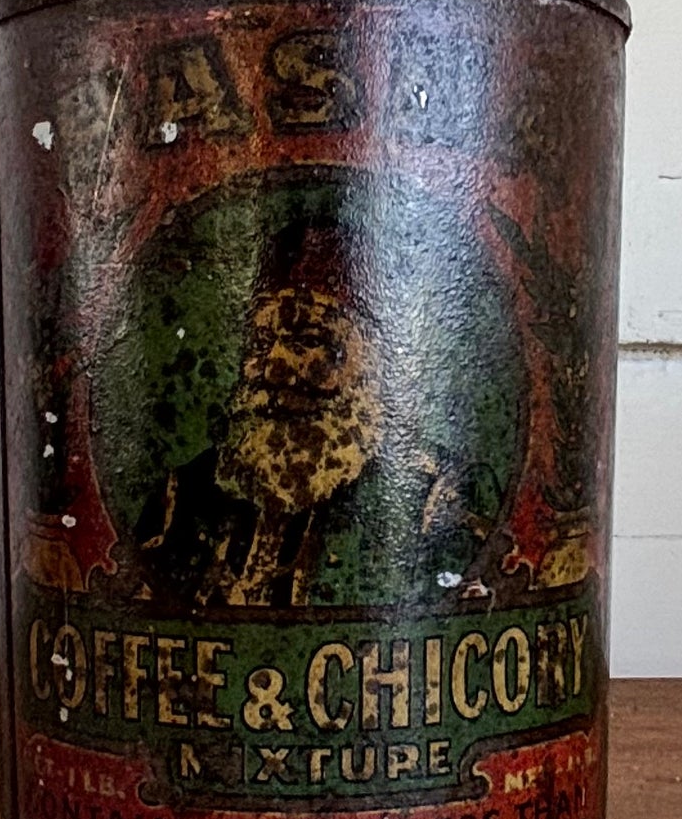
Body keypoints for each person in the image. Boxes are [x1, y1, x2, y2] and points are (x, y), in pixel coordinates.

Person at [131, 219, 484, 610]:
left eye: (307, 342)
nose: (275, 368)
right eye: (262, 342)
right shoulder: (181, 498)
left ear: (368, 363)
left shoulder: (435, 497)